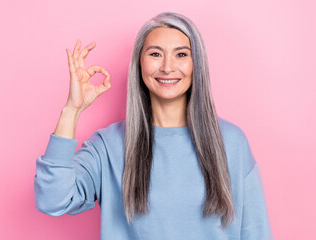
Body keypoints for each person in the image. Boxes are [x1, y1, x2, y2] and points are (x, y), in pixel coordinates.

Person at [34, 12, 273, 239]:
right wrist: (72, 110)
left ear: (196, 65)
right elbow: (52, 200)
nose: (167, 67)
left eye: (181, 54)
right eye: (155, 54)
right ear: (139, 64)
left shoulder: (231, 142)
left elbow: (256, 233)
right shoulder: (108, 146)